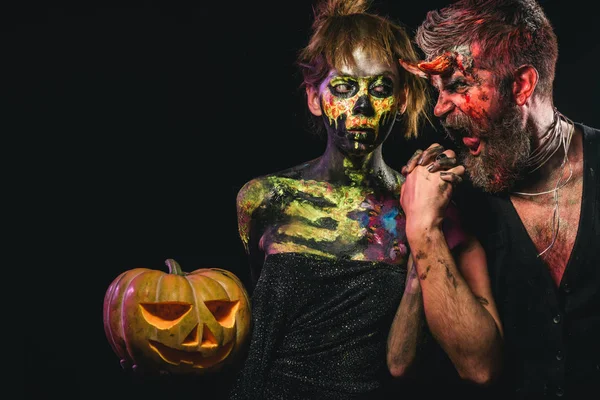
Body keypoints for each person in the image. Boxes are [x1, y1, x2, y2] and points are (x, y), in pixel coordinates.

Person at [229, 0, 503, 398]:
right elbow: (254, 329)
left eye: (380, 88)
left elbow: (400, 363)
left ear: (402, 99)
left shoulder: (418, 208)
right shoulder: (266, 200)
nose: (362, 106)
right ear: (314, 96)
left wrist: (420, 226)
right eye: (343, 87)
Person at [397, 0, 600, 398]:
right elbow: (470, 366)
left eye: (457, 85)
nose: (439, 108)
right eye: (436, 90)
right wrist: (422, 228)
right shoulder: (454, 197)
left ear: (522, 85)